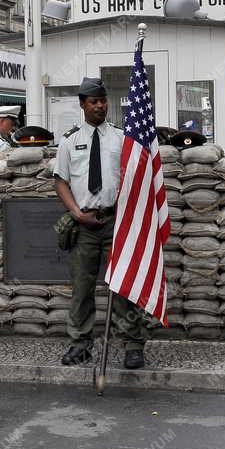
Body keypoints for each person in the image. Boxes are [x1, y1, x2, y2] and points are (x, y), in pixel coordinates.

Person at [53, 77, 149, 370]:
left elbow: (135, 177)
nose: (100, 106)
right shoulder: (70, 140)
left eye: (103, 101)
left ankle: (132, 345)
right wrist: (77, 214)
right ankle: (80, 345)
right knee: (82, 289)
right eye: (94, 102)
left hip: (116, 222)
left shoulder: (121, 138)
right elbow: (61, 182)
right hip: (83, 224)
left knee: (123, 287)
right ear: (82, 104)